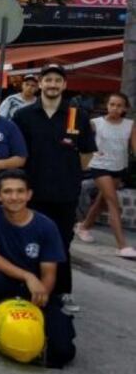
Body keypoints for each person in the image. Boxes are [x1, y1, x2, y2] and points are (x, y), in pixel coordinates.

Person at [0, 170, 76, 369]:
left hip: (35, 290)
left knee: (62, 352)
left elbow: (49, 272)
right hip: (5, 282)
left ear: (29, 195)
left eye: (20, 191)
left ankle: (27, 341)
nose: (14, 197)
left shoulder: (47, 226)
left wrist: (40, 296)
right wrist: (27, 276)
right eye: (7, 192)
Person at [13, 64, 95, 314]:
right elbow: (19, 154)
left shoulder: (77, 115)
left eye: (57, 80)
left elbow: (86, 153)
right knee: (28, 241)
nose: (52, 84)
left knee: (60, 243)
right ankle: (23, 286)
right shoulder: (24, 116)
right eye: (48, 80)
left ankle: (61, 292)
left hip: (64, 194)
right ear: (40, 83)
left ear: (64, 85)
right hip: (32, 192)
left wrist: (68, 173)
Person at [76, 92, 136, 258]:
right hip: (100, 166)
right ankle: (122, 246)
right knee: (113, 203)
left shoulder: (130, 125)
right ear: (107, 105)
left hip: (119, 167)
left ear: (125, 108)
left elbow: (134, 147)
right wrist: (89, 152)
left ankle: (84, 226)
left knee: (102, 201)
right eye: (112, 105)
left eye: (119, 105)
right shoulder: (96, 123)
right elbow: (81, 138)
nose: (115, 108)